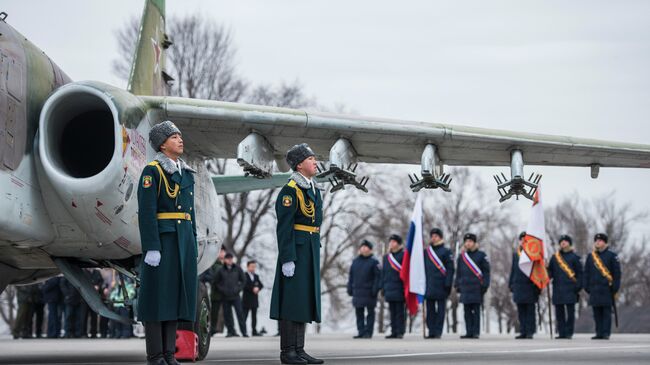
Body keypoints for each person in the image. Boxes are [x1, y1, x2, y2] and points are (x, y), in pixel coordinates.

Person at [137, 120, 198, 365]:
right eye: (174, 137)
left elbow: (191, 213)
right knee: (156, 298)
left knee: (174, 296)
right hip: (163, 241)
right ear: (162, 145)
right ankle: (156, 355)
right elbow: (147, 211)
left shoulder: (185, 172)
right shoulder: (152, 171)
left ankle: (169, 354)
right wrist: (152, 245)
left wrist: (192, 242)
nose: (180, 140)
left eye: (180, 136)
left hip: (183, 240)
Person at [270, 143, 324, 364]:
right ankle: (288, 352)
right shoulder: (290, 191)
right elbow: (284, 228)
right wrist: (287, 258)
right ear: (300, 165)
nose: (315, 162)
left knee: (302, 301)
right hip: (296, 251)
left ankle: (299, 349)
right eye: (311, 159)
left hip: (309, 249)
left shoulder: (312, 188)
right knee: (291, 302)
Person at [584, 233, 621, 340]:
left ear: (605, 242)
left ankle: (606, 333)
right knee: (596, 313)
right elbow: (586, 272)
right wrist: (586, 286)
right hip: (594, 289)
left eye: (600, 240)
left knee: (606, 312)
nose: (597, 242)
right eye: (596, 240)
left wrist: (615, 287)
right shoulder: (591, 256)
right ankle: (599, 332)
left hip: (606, 289)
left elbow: (617, 273)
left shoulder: (612, 256)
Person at [455, 233, 490, 339]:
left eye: (470, 241)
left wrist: (485, 285)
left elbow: (486, 272)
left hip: (476, 287)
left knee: (476, 310)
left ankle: (475, 332)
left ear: (474, 243)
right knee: (467, 311)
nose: (468, 243)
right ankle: (469, 332)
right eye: (466, 241)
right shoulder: (462, 257)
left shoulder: (482, 255)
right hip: (465, 287)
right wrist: (457, 284)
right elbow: (459, 272)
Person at [547, 234, 582, 339]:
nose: (563, 243)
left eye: (565, 241)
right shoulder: (554, 258)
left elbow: (580, 274)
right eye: (561, 241)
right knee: (559, 313)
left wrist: (578, 287)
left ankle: (569, 332)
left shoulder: (575, 257)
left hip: (571, 289)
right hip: (558, 289)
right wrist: (545, 269)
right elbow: (550, 274)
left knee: (570, 313)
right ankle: (561, 333)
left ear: (569, 243)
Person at [423, 228, 454, 339]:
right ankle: (431, 331)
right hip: (429, 284)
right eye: (432, 236)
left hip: (441, 284)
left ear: (440, 237)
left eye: (436, 236)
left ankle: (438, 331)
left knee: (441, 310)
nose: (433, 238)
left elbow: (450, 269)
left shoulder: (446, 251)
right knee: (430, 310)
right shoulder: (426, 252)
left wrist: (448, 283)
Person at [509, 231, 540, 339]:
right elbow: (513, 270)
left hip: (530, 286)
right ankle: (523, 331)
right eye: (521, 239)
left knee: (530, 311)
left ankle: (530, 331)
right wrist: (511, 283)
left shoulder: (534, 254)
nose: (523, 241)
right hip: (518, 286)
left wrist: (538, 285)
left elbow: (538, 270)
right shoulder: (516, 254)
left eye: (525, 239)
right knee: (521, 311)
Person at [347, 240, 381, 339]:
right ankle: (361, 331)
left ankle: (368, 332)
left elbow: (378, 277)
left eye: (366, 247)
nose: (363, 248)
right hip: (357, 291)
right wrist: (349, 287)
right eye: (362, 247)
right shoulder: (355, 261)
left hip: (369, 292)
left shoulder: (374, 262)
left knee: (370, 313)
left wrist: (375, 289)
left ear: (370, 249)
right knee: (359, 313)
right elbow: (351, 276)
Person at [216, 253, 248, 337]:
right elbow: (216, 283)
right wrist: (222, 290)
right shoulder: (221, 270)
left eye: (231, 258)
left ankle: (244, 332)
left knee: (240, 314)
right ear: (225, 260)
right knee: (227, 315)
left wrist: (238, 289)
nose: (230, 260)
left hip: (236, 296)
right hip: (225, 296)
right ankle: (230, 332)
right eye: (228, 259)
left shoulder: (237, 268)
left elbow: (244, 280)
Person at [381, 234, 406, 339]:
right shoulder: (386, 257)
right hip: (389, 287)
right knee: (392, 311)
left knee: (400, 311)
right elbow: (384, 273)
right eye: (390, 241)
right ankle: (394, 331)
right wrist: (383, 287)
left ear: (398, 244)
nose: (391, 243)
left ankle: (400, 331)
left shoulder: (404, 255)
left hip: (400, 287)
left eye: (394, 242)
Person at [200, 246, 226, 336]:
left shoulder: (226, 265)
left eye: (223, 252)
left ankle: (231, 329)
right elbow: (210, 276)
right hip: (215, 291)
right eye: (220, 251)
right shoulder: (211, 263)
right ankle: (212, 329)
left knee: (227, 312)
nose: (222, 253)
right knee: (213, 311)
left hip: (227, 292)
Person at [242, 260, 264, 336]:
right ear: (248, 267)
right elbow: (244, 285)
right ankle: (243, 331)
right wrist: (252, 289)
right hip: (246, 300)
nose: (253, 268)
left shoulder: (256, 276)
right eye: (252, 266)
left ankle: (254, 331)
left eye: (254, 267)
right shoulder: (244, 275)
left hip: (254, 299)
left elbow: (261, 285)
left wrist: (258, 288)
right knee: (244, 316)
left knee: (254, 317)